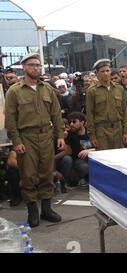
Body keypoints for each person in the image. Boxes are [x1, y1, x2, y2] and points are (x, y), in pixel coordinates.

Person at [4, 53, 65, 227]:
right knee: (28, 176)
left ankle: (46, 209)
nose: (36, 68)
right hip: (26, 137)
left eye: (38, 65)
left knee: (47, 173)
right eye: (32, 65)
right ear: (24, 67)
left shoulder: (47, 89)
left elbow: (56, 114)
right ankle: (32, 211)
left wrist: (60, 135)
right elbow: (10, 119)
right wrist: (16, 142)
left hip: (46, 135)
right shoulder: (15, 91)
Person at [85, 59, 127, 150]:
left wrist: (125, 131)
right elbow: (90, 114)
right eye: (102, 71)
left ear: (110, 72)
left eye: (107, 71)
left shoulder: (119, 89)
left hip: (118, 129)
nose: (105, 73)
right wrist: (92, 136)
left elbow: (124, 111)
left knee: (118, 157)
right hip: (101, 131)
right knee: (104, 157)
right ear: (97, 73)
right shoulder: (92, 91)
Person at [65, 112, 93, 187]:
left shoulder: (91, 133)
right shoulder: (70, 134)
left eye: (74, 121)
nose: (71, 124)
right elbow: (66, 150)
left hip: (93, 158)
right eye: (70, 122)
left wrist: (89, 151)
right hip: (78, 161)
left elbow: (101, 147)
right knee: (73, 179)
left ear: (82, 122)